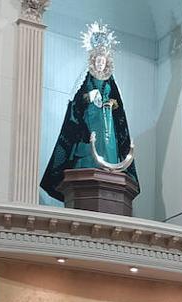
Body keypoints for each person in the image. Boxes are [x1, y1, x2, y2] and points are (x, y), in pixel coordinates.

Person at [40, 22, 139, 202]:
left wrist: (111, 103)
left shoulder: (110, 81)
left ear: (107, 63)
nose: (100, 64)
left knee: (108, 140)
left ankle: (109, 165)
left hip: (107, 119)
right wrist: (88, 97)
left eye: (103, 61)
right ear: (93, 61)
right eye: (98, 61)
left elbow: (119, 108)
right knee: (90, 142)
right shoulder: (85, 78)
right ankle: (88, 165)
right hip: (89, 120)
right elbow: (76, 102)